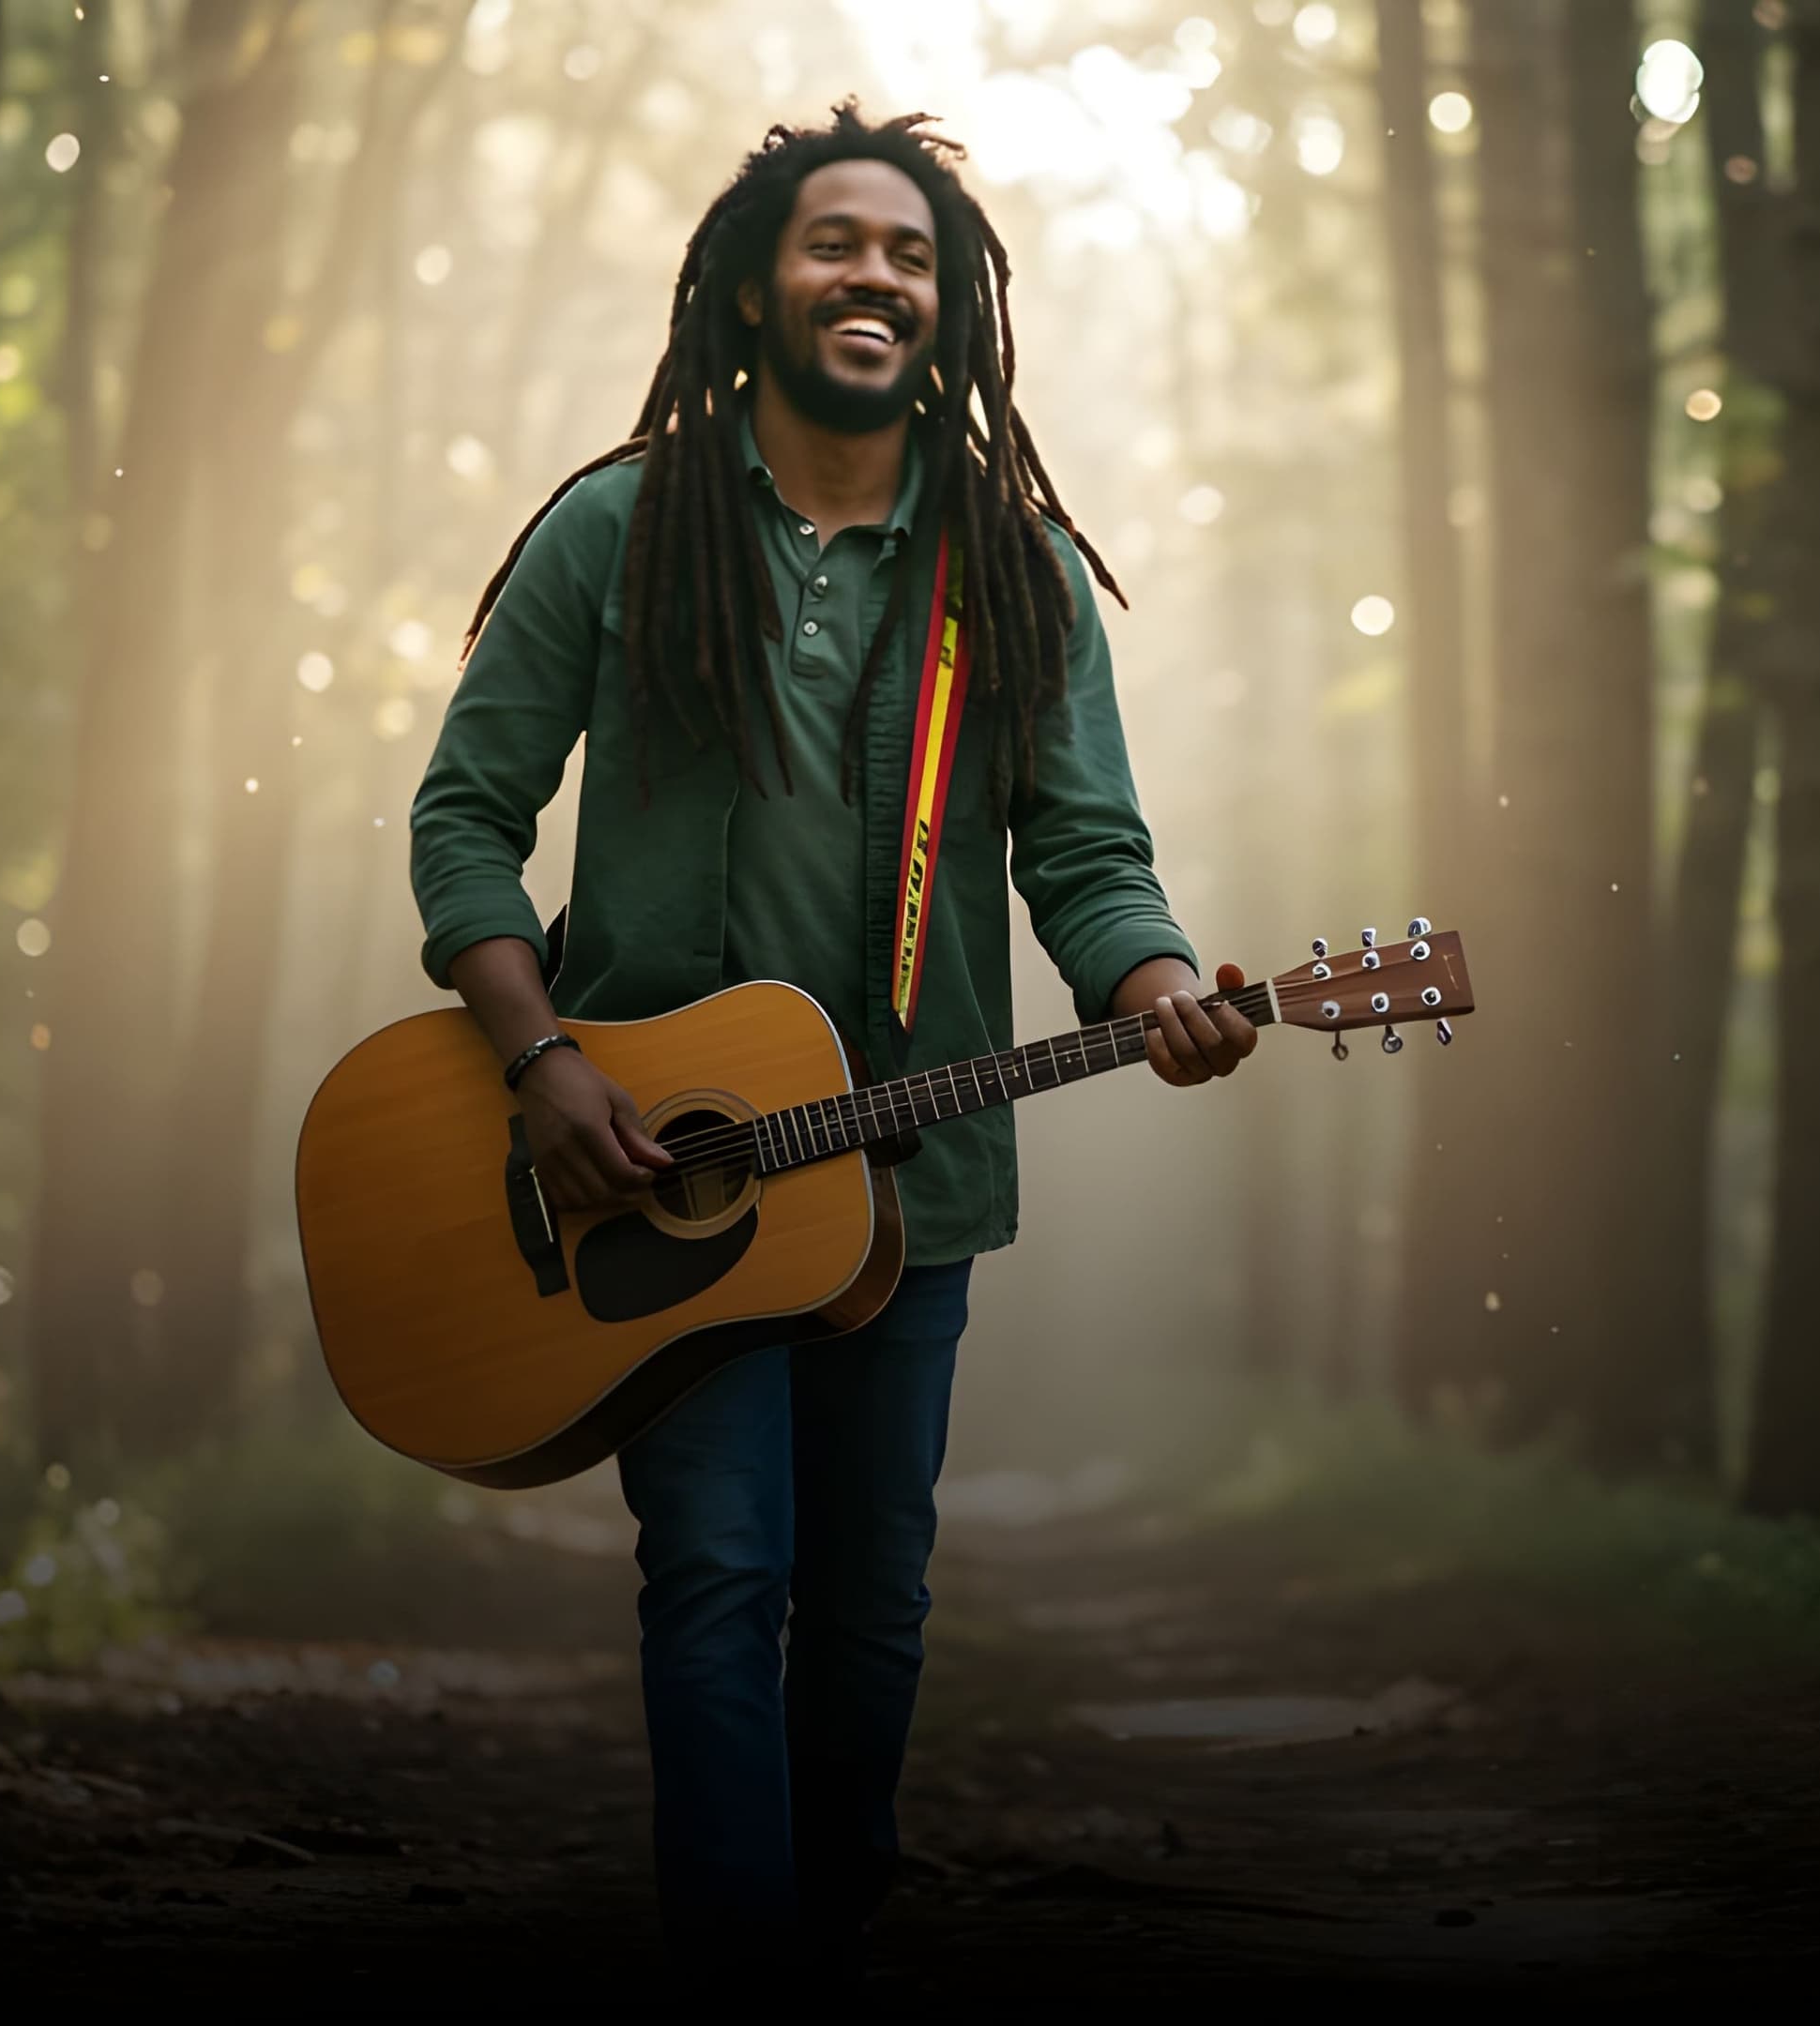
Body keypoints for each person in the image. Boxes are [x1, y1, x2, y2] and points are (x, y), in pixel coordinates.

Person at [407, 105, 1251, 1981]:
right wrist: (540, 1061)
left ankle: (837, 1910)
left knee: (872, 1601)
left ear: (950, 309)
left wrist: (1155, 990)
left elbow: (1087, 851)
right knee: (718, 1571)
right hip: (652, 1170)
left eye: (911, 255)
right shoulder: (620, 526)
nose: (875, 274)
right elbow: (465, 820)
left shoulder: (1010, 568)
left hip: (904, 1178)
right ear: (751, 283)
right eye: (835, 241)